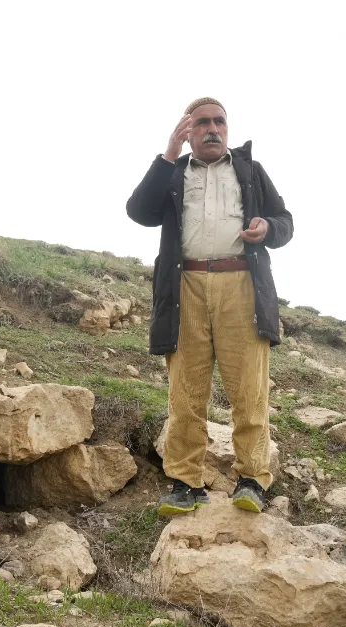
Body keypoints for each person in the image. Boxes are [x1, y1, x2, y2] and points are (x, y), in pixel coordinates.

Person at [126, 97, 294, 515]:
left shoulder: (250, 171)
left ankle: (252, 479)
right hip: (185, 287)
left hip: (242, 286)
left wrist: (267, 227)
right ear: (188, 132)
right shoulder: (174, 171)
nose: (212, 129)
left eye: (219, 121)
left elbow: (285, 222)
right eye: (202, 123)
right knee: (186, 391)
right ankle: (185, 483)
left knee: (249, 389)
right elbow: (139, 211)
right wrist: (168, 154)